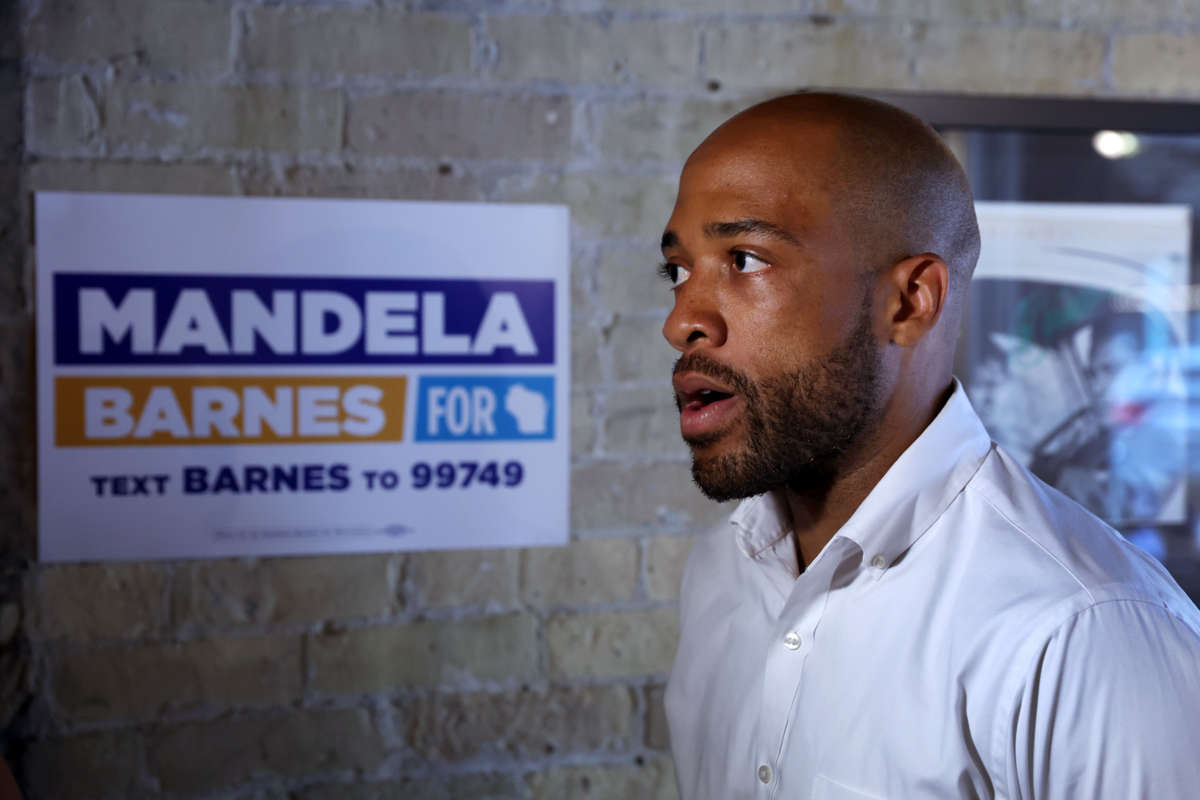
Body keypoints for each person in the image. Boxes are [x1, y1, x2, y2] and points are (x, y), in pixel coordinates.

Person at [659, 92, 1200, 800]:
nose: (682, 321)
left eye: (746, 260)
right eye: (678, 270)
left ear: (910, 302)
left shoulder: (1085, 633)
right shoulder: (724, 572)